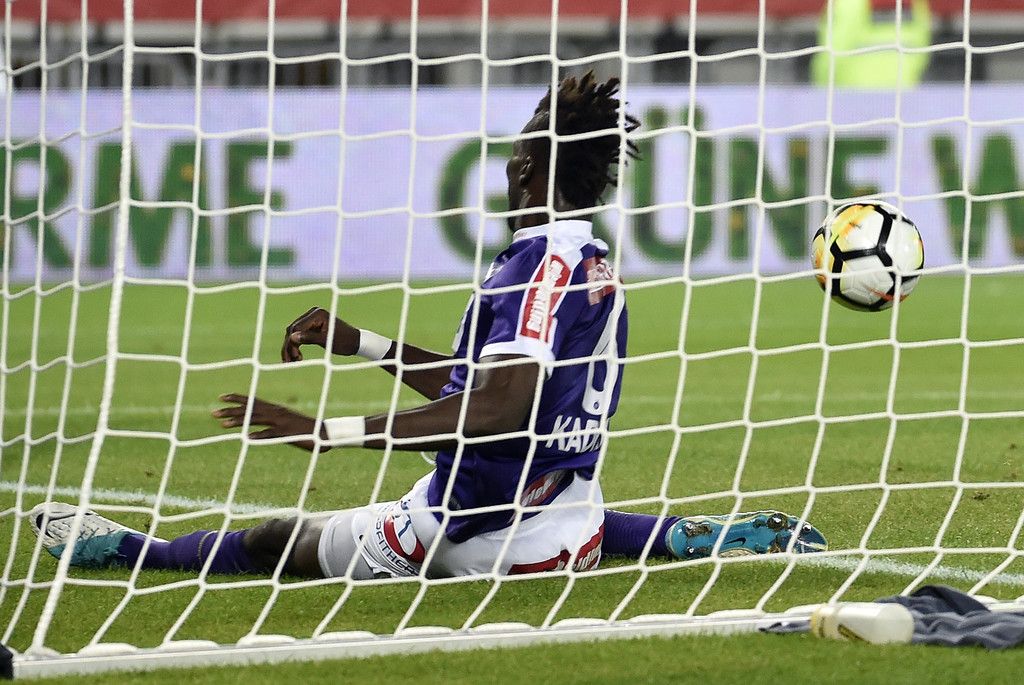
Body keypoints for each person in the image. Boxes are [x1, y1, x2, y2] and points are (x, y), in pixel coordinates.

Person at [31, 73, 827, 580]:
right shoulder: (589, 260)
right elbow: (480, 384)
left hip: (474, 536)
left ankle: (128, 550)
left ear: (530, 167)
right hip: (568, 521)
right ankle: (686, 537)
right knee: (552, 496)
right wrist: (364, 344)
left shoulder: (534, 269)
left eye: (517, 150)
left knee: (278, 542)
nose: (509, 163)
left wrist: (330, 431)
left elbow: (497, 407)